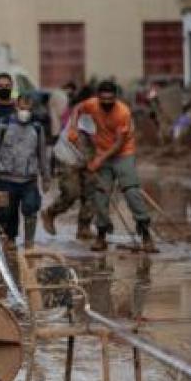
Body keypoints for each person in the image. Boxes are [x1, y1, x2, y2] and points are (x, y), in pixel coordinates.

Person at [69, 80, 157, 252]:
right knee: (101, 195)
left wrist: (98, 160)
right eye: (103, 100)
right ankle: (101, 236)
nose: (107, 103)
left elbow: (118, 144)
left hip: (123, 153)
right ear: (98, 97)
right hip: (102, 150)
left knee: (131, 192)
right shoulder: (92, 104)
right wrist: (73, 127)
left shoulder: (123, 112)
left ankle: (146, 235)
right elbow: (77, 108)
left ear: (116, 97)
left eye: (110, 100)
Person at [0, 94, 50, 249]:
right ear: (16, 107)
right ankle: (10, 242)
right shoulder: (3, 124)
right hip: (6, 178)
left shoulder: (37, 127)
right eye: (22, 107)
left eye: (28, 108)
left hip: (29, 179)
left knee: (31, 208)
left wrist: (46, 177)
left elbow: (42, 154)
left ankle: (29, 244)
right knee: (7, 213)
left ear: (32, 109)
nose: (24, 111)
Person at [41, 111, 97, 240]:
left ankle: (84, 227)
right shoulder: (87, 115)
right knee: (72, 192)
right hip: (67, 156)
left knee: (91, 191)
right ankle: (50, 212)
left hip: (88, 158)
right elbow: (83, 139)